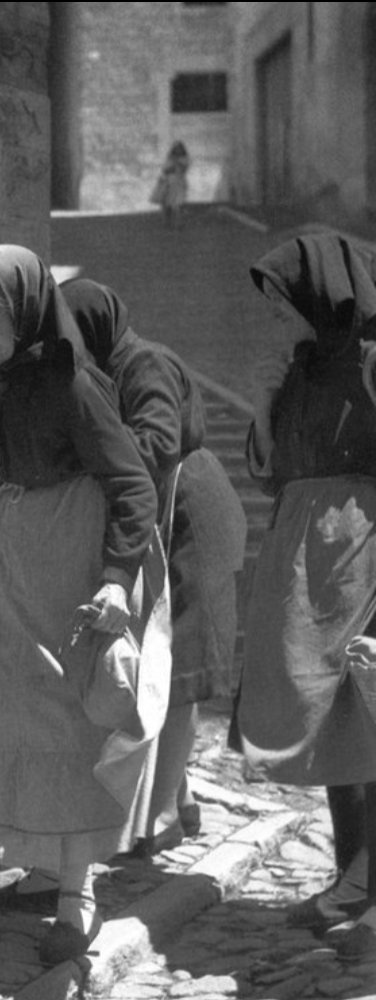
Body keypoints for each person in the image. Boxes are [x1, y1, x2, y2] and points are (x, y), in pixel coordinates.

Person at [0, 245, 165, 965]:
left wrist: (116, 579)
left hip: (68, 574)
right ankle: (45, 870)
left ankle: (76, 898)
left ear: (26, 308)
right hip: (10, 578)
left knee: (66, 726)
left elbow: (133, 484)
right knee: (17, 723)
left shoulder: (73, 385)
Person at [62, 278, 247, 856]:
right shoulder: (106, 369)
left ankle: (162, 816)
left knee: (183, 665)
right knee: (156, 662)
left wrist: (91, 457)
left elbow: (158, 442)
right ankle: (180, 797)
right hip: (162, 512)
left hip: (191, 509)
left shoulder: (145, 364)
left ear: (93, 326)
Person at [231, 233, 376, 959]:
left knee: (368, 716)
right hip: (302, 553)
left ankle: (365, 883)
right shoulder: (299, 369)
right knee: (330, 723)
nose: (274, 316)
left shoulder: (372, 363)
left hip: (358, 550)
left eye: (281, 302)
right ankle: (353, 878)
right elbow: (270, 473)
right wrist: (263, 403)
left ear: (319, 294)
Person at [152, 141, 189, 230]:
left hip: (178, 183)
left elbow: (183, 169)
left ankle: (178, 223)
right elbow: (165, 170)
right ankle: (167, 222)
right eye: (176, 149)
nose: (177, 151)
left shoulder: (185, 159)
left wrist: (176, 163)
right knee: (166, 204)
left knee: (178, 204)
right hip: (168, 182)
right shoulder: (169, 158)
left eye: (179, 149)